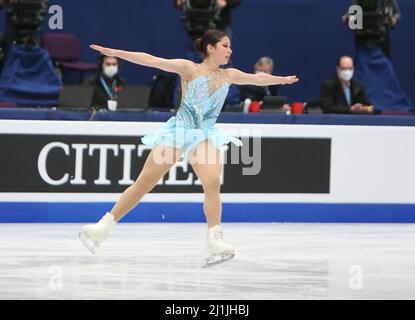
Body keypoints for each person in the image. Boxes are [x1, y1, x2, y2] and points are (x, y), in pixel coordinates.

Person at [79, 29, 298, 266]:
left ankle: (214, 239)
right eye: (225, 45)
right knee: (144, 182)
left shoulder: (229, 75)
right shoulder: (189, 69)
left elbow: (257, 78)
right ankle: (103, 226)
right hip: (179, 132)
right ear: (211, 48)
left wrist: (282, 80)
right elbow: (151, 60)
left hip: (204, 135)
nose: (230, 50)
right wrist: (116, 53)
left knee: (213, 182)